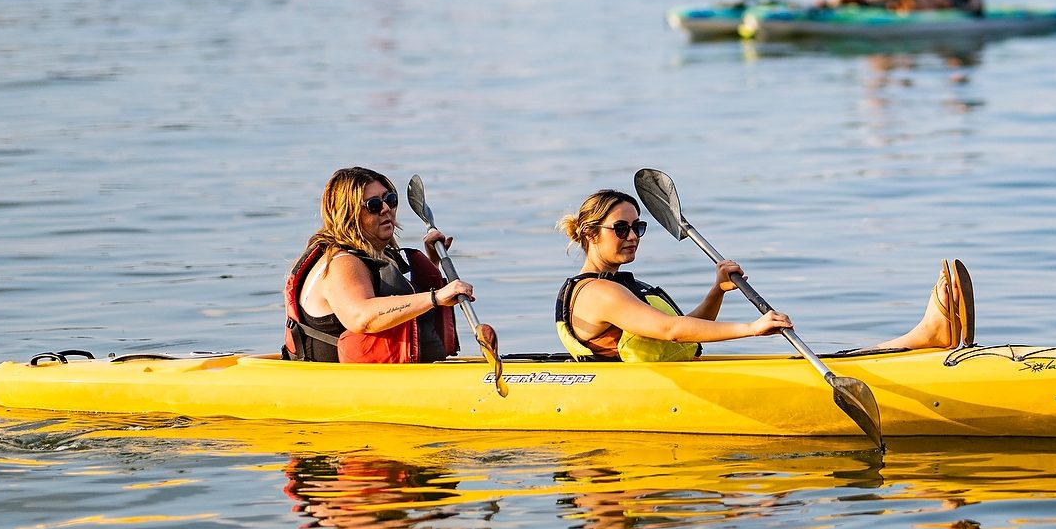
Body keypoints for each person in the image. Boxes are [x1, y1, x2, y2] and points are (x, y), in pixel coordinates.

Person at [554, 188, 973, 362]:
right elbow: (669, 330)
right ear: (591, 234)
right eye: (622, 228)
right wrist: (753, 329)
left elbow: (689, 331)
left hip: (677, 375)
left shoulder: (620, 287)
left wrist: (716, 291)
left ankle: (918, 341)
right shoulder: (597, 293)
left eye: (638, 227)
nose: (633, 236)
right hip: (654, 390)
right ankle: (919, 341)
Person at [283, 166, 481, 364]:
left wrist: (432, 263)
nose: (386, 208)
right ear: (348, 214)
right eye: (374, 204)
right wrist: (436, 297)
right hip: (332, 383)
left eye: (390, 200)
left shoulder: (377, 257)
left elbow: (394, 304)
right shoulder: (341, 263)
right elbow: (362, 316)